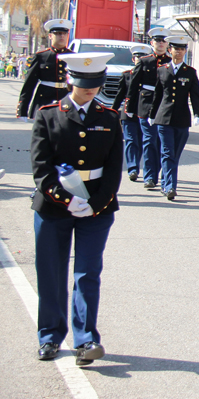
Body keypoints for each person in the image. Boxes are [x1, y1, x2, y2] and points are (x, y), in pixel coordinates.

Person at [30, 52, 122, 366]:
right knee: (51, 272)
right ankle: (50, 336)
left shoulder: (110, 118)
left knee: (87, 273)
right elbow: (41, 170)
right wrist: (68, 199)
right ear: (71, 80)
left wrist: (95, 203)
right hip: (53, 207)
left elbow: (113, 169)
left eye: (95, 85)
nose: (89, 91)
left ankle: (85, 340)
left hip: (96, 208)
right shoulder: (48, 115)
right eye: (84, 85)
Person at [149, 36, 199, 200]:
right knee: (167, 152)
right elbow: (157, 94)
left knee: (175, 154)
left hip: (181, 118)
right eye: (175, 49)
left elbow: (194, 96)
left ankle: (165, 181)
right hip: (164, 118)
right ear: (170, 50)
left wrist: (198, 114)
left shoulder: (190, 72)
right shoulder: (162, 70)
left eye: (181, 49)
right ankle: (170, 186)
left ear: (185, 51)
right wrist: (151, 114)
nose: (178, 52)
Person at [125, 27, 171, 189]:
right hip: (145, 105)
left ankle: (159, 173)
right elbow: (133, 86)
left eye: (163, 41)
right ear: (152, 43)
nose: (160, 44)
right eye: (157, 41)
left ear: (167, 44)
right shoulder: (144, 62)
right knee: (149, 140)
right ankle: (150, 176)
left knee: (161, 142)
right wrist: (130, 107)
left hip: (163, 107)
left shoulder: (170, 63)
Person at [17, 19, 74, 120]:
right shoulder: (41, 56)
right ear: (50, 36)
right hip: (44, 99)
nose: (62, 36)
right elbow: (29, 85)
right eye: (58, 34)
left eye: (64, 34)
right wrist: (23, 110)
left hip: (67, 98)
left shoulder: (73, 57)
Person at [112, 44, 152, 182]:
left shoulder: (150, 76)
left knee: (141, 141)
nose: (138, 59)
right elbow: (119, 96)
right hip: (128, 113)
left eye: (141, 57)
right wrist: (112, 112)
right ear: (132, 59)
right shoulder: (126, 75)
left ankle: (137, 165)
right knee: (130, 141)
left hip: (144, 112)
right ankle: (132, 168)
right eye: (136, 57)